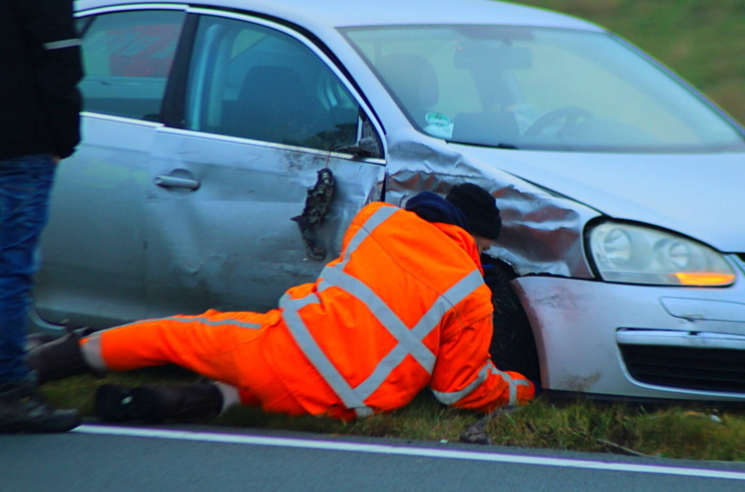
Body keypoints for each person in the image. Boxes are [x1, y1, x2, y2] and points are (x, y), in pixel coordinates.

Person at [29, 184, 536, 423]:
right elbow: (459, 390)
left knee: (181, 333)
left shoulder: (378, 220)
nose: (483, 259)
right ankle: (153, 404)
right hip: (352, 401)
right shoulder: (473, 294)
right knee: (243, 395)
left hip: (288, 346)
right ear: (474, 238)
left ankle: (42, 367)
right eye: (484, 249)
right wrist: (519, 388)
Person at [0, 0, 84, 433]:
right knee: (9, 270)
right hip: (20, 153)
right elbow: (61, 77)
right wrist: (61, 142)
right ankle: (9, 390)